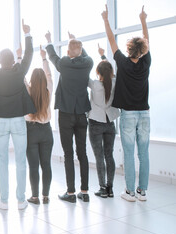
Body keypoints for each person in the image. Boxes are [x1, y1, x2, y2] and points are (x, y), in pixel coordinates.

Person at [0, 19, 36, 210]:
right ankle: (21, 200)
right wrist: (27, 34)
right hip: (19, 121)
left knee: (2, 161)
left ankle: (3, 200)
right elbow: (28, 54)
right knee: (21, 160)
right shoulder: (19, 71)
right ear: (13, 61)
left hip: (1, 123)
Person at [102, 5, 151, 202]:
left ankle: (130, 192)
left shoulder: (122, 62)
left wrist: (106, 19)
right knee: (144, 154)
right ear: (143, 51)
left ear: (129, 49)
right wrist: (143, 20)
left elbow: (112, 40)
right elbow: (146, 41)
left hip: (129, 114)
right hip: (145, 114)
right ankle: (142, 192)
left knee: (129, 153)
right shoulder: (146, 62)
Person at [45, 31, 93, 203]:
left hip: (66, 113)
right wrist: (76, 43)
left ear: (67, 52)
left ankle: (71, 193)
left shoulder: (64, 63)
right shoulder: (88, 63)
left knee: (68, 154)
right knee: (83, 153)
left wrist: (50, 41)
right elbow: (84, 55)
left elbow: (52, 56)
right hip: (81, 114)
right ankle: (85, 192)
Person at [18, 45, 53, 205]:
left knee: (33, 166)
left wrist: (19, 58)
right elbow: (49, 75)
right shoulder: (48, 90)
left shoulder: (28, 90)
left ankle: (35, 197)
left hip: (30, 131)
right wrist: (44, 58)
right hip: (46, 131)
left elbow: (21, 77)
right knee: (46, 165)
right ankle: (46, 196)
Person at [88, 44, 120, 198]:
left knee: (99, 156)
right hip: (110, 123)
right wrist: (102, 56)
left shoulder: (94, 85)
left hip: (95, 122)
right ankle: (110, 188)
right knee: (109, 155)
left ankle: (102, 188)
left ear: (98, 72)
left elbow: (83, 72)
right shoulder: (114, 83)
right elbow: (110, 72)